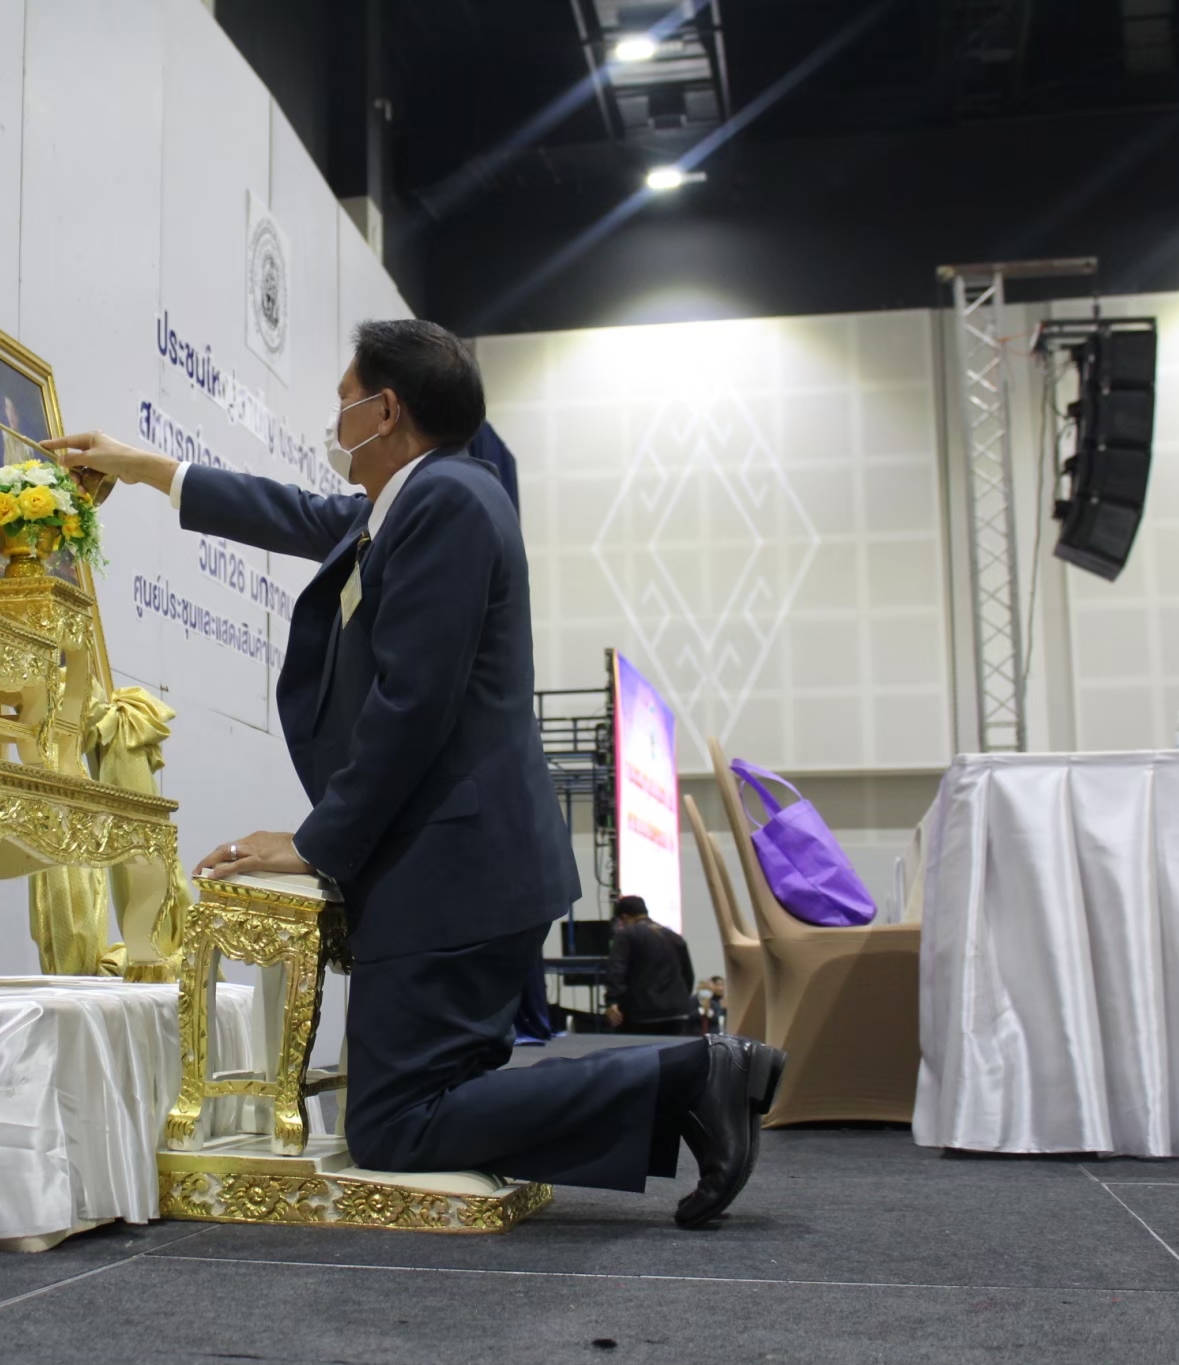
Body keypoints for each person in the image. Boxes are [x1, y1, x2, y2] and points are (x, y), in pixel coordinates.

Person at [48, 319, 785, 1226]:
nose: (334, 421)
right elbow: (295, 513)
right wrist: (144, 468)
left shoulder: (447, 503)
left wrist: (315, 842)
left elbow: (414, 705)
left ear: (384, 409)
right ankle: (694, 1087)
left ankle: (696, 1074)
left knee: (396, 1123)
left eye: (343, 401)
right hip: (461, 866)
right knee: (429, 1099)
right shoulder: (416, 500)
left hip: (454, 870)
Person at [602, 895, 698, 1036]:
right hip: (677, 1013)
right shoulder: (674, 936)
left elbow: (617, 969)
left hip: (641, 1014)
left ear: (624, 917)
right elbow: (688, 975)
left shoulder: (626, 934)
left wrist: (613, 1001)